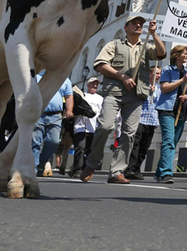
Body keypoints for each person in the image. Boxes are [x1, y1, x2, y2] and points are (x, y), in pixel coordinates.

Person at [80, 13, 167, 185]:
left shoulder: (146, 47)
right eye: (134, 23)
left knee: (129, 133)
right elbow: (100, 64)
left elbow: (161, 53)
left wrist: (154, 34)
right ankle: (92, 163)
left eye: (140, 23)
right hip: (114, 93)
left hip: (136, 96)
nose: (138, 25)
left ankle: (117, 171)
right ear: (126, 27)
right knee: (105, 126)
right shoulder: (114, 44)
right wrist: (122, 76)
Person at [155, 44, 187, 184]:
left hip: (182, 110)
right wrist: (181, 81)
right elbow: (164, 88)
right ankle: (166, 172)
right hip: (167, 109)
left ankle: (159, 172)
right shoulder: (167, 70)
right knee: (168, 140)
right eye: (184, 53)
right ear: (176, 55)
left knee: (174, 141)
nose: (186, 56)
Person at [32, 74, 74, 176]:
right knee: (35, 142)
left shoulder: (65, 80)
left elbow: (69, 96)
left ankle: (41, 163)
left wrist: (69, 110)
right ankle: (34, 167)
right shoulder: (37, 77)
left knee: (54, 141)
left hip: (56, 115)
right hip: (38, 114)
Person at [124, 66, 161, 180]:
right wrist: (148, 91)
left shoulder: (159, 88)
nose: (158, 76)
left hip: (152, 120)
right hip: (140, 118)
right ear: (150, 74)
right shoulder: (142, 85)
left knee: (144, 147)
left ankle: (137, 169)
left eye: (159, 74)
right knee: (135, 144)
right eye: (156, 73)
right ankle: (130, 168)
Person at [71, 77, 104, 177]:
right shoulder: (82, 96)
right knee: (80, 147)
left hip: (93, 127)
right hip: (80, 126)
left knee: (89, 149)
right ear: (88, 85)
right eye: (93, 84)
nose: (95, 86)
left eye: (96, 84)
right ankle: (77, 169)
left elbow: (102, 112)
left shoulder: (100, 98)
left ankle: (85, 168)